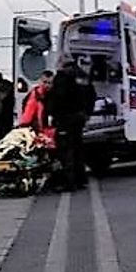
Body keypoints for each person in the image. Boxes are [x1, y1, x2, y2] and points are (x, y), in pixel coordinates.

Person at [47, 57, 96, 191]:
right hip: (79, 117)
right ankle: (81, 179)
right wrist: (87, 113)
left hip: (65, 118)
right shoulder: (82, 77)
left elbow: (58, 98)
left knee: (65, 150)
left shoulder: (62, 79)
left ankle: (69, 182)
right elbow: (92, 95)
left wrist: (52, 113)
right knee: (78, 148)